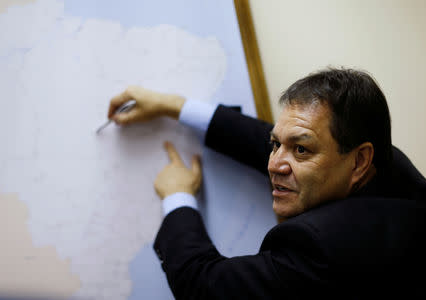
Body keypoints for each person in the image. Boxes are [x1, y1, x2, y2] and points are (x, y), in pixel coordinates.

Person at [108, 68, 426, 299]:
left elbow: (203, 285)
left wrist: (177, 198)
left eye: (300, 149)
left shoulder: (320, 249)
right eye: (276, 145)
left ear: (359, 161)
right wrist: (175, 106)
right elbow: (288, 141)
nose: (274, 163)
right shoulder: (389, 168)